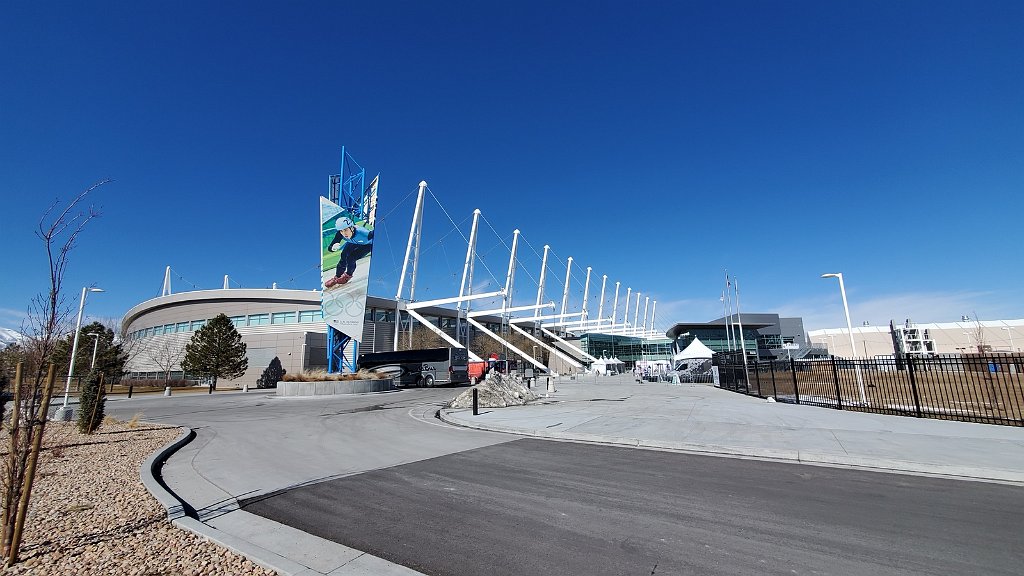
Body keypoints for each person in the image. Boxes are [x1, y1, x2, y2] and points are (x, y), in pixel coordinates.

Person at [325, 215, 373, 288]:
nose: (344, 233)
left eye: (345, 230)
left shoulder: (365, 234)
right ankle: (337, 277)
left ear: (352, 228)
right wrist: (332, 248)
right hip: (352, 242)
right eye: (341, 231)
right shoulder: (340, 234)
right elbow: (330, 247)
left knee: (351, 258)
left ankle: (348, 276)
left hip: (366, 245)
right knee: (343, 256)